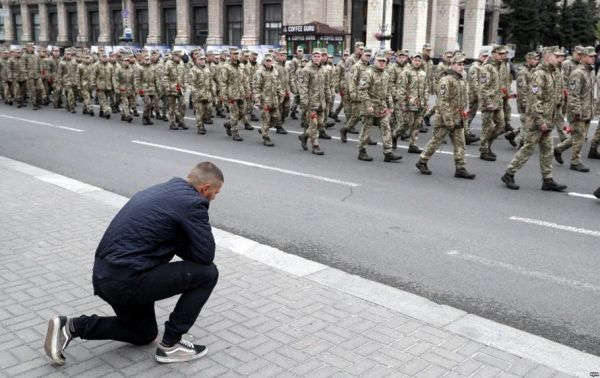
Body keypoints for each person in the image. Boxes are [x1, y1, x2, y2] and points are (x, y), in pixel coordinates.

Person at [44, 162, 223, 365]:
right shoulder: (193, 203)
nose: (214, 198)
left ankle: (71, 326)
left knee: (143, 333)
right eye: (216, 192)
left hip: (105, 276)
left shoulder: (160, 190)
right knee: (208, 274)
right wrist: (183, 240)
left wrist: (178, 239)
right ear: (205, 189)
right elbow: (205, 255)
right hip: (128, 279)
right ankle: (172, 344)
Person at [501, 47, 567, 192]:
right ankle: (509, 173)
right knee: (528, 148)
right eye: (557, 56)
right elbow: (534, 100)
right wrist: (540, 120)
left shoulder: (554, 73)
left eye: (561, 57)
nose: (560, 59)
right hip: (538, 121)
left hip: (548, 120)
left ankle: (548, 180)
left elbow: (555, 99)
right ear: (548, 56)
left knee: (547, 150)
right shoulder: (539, 74)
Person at [416, 54, 475, 179]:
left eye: (463, 64)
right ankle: (422, 161)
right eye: (459, 64)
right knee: (436, 141)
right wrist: (448, 120)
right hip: (445, 118)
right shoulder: (446, 80)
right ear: (452, 65)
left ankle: (460, 168)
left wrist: (464, 111)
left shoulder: (461, 79)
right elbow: (443, 102)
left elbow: (463, 98)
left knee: (460, 144)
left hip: (458, 117)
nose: (461, 67)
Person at [553, 46, 596, 172]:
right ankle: (575, 162)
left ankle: (558, 149)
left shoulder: (590, 72)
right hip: (579, 111)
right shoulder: (578, 73)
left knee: (579, 136)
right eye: (590, 56)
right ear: (582, 57)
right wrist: (577, 112)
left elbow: (589, 93)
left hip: (587, 110)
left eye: (594, 56)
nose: (593, 58)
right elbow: (573, 94)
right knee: (579, 137)